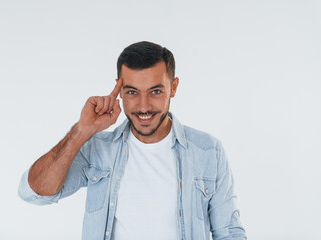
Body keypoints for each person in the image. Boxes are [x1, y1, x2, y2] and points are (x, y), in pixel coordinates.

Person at [18, 41, 247, 240]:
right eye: (132, 92)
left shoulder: (207, 151)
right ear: (119, 89)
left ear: (174, 87)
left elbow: (229, 233)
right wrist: (81, 130)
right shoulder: (98, 149)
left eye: (156, 92)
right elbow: (35, 193)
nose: (144, 106)